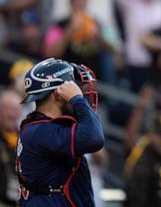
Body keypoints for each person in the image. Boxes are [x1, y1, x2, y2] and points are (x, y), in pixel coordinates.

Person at [15, 58, 105, 206]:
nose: (81, 92)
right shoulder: (40, 131)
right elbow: (95, 138)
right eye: (74, 88)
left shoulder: (40, 127)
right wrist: (77, 99)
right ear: (58, 95)